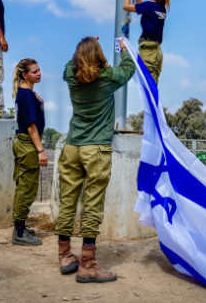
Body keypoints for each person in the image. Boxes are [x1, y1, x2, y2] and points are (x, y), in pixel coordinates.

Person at [56, 37, 136, 283]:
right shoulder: (107, 79)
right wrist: (123, 48)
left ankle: (65, 255)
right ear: (99, 55)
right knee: (92, 205)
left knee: (68, 201)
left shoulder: (71, 76)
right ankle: (88, 264)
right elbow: (129, 68)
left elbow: (69, 66)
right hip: (96, 149)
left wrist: (84, 48)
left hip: (72, 147)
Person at [11, 58, 48, 246]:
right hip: (28, 144)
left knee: (23, 186)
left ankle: (20, 226)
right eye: (35, 72)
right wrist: (40, 150)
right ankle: (18, 232)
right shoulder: (26, 95)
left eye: (39, 70)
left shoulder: (27, 93)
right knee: (27, 188)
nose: (39, 73)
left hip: (23, 143)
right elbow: (31, 127)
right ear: (25, 75)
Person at [122, 0, 170, 84]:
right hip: (156, 51)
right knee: (152, 85)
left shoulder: (149, 6)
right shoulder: (161, 8)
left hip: (148, 49)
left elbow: (125, 6)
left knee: (147, 83)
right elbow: (141, 6)